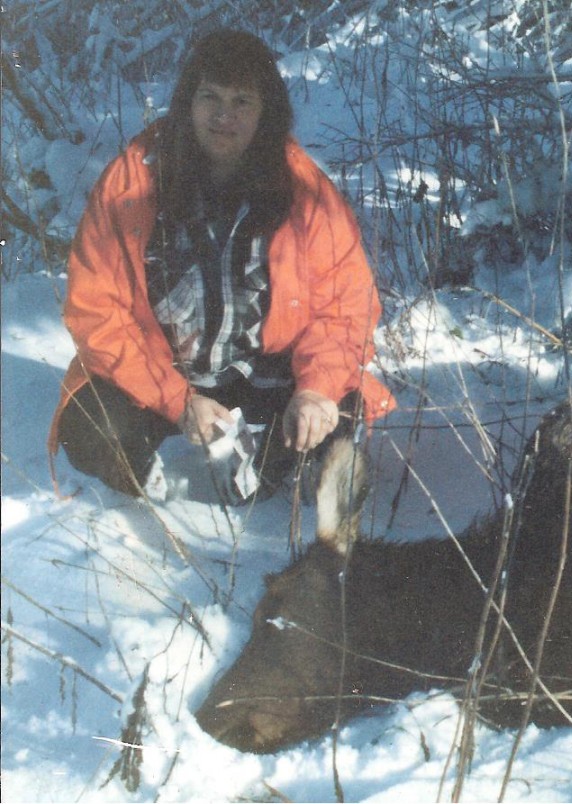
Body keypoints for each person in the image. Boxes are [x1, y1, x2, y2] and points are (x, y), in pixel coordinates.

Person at [47, 29, 394, 501]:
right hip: (163, 373)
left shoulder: (304, 192)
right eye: (210, 97)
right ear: (188, 102)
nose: (223, 116)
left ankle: (266, 465)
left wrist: (314, 389)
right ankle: (150, 489)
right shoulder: (131, 182)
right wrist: (177, 400)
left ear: (265, 111)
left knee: (337, 410)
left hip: (263, 372)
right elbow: (95, 312)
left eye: (242, 102)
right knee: (90, 428)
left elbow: (345, 308)